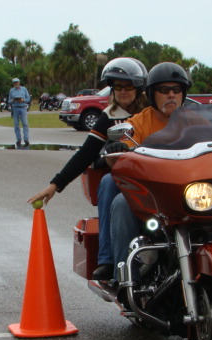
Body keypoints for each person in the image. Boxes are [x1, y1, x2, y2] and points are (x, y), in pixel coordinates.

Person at [107, 62, 212, 305]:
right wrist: (119, 147)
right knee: (121, 203)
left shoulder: (199, 120)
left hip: (195, 191)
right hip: (161, 195)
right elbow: (124, 151)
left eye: (176, 89)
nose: (171, 94)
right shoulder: (138, 123)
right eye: (164, 90)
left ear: (183, 93)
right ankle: (125, 279)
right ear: (153, 94)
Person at [27, 58, 148, 281]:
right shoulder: (109, 118)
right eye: (117, 86)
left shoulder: (152, 114)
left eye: (128, 86)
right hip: (125, 180)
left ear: (140, 89)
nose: (122, 91)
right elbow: (85, 154)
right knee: (108, 182)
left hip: (154, 177)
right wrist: (55, 185)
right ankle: (108, 260)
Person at [8, 78, 31, 147]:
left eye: (17, 82)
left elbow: (28, 99)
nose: (16, 84)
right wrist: (13, 100)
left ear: (19, 82)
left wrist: (22, 100)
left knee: (25, 124)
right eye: (14, 83)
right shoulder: (11, 90)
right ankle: (18, 139)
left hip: (23, 107)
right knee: (16, 124)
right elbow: (9, 101)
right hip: (15, 108)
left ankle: (26, 139)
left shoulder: (24, 89)